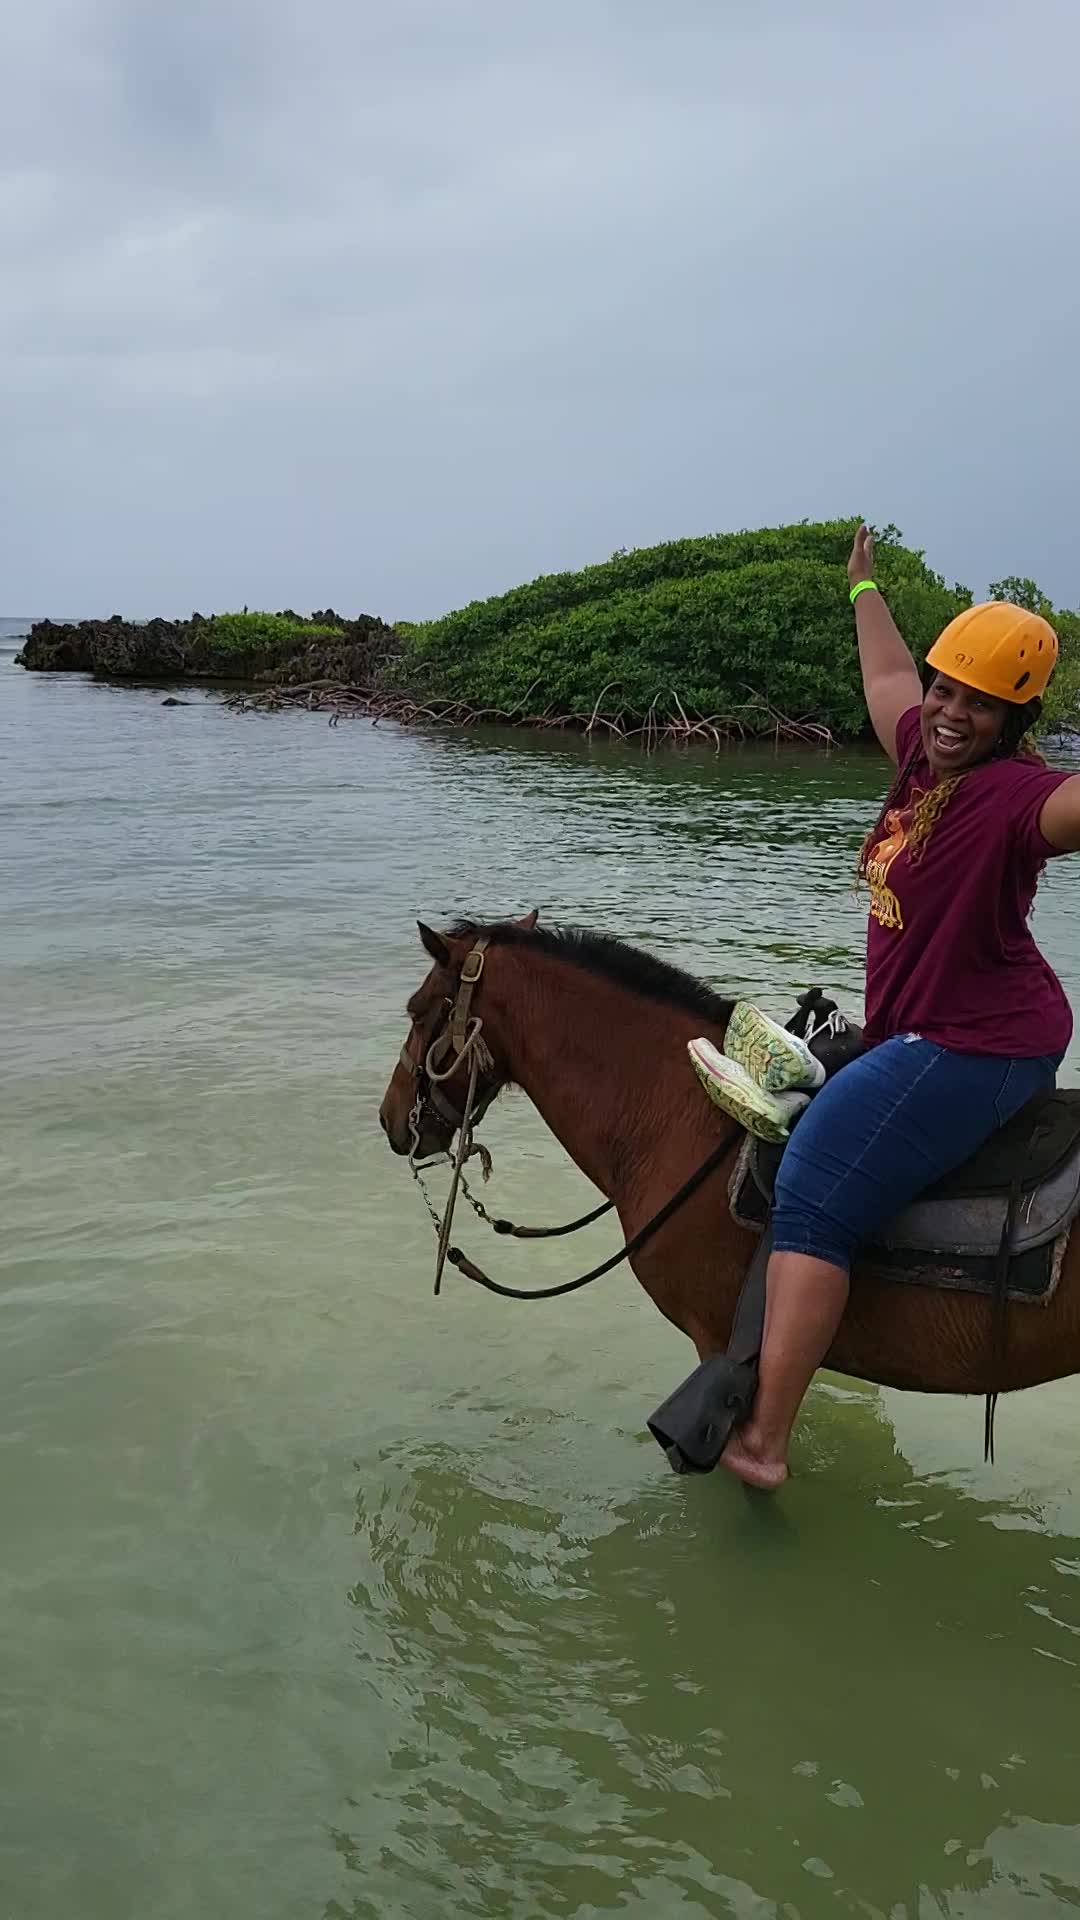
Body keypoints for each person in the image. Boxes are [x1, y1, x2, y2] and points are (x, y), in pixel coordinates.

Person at [697, 524, 1080, 1491]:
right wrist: (864, 591)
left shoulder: (1014, 800)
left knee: (816, 1188)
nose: (949, 712)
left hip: (978, 1042)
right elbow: (888, 685)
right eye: (949, 690)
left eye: (979, 703)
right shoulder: (922, 760)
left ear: (1015, 717)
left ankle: (764, 1443)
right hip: (924, 1025)